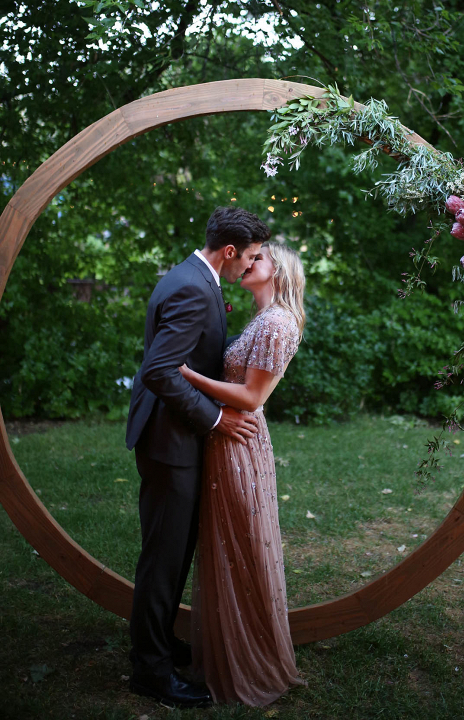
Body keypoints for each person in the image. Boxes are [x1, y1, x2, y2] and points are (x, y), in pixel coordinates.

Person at [126, 206, 271, 709]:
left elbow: (195, 355)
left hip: (173, 441)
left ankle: (159, 644)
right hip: (170, 443)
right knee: (163, 562)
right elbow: (160, 371)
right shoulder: (191, 286)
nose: (249, 266)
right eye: (248, 257)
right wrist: (217, 420)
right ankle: (150, 672)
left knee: (172, 553)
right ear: (228, 251)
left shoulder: (192, 277)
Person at [178, 242, 305, 706]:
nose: (249, 263)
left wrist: (186, 375)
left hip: (239, 441)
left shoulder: (277, 322)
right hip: (227, 437)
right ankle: (227, 653)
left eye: (260, 260)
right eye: (249, 258)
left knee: (241, 545)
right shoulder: (261, 319)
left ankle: (250, 661)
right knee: (228, 544)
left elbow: (251, 398)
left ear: (281, 273)